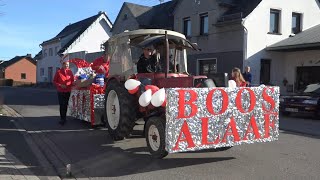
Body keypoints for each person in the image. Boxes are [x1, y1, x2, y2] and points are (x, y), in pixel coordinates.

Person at [53, 61, 75, 125]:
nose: (66, 66)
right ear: (62, 65)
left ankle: (64, 117)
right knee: (62, 105)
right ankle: (62, 118)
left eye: (68, 65)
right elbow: (54, 81)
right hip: (60, 91)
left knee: (66, 105)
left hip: (68, 91)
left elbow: (72, 80)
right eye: (65, 65)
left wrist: (73, 84)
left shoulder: (70, 72)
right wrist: (60, 85)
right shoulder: (58, 72)